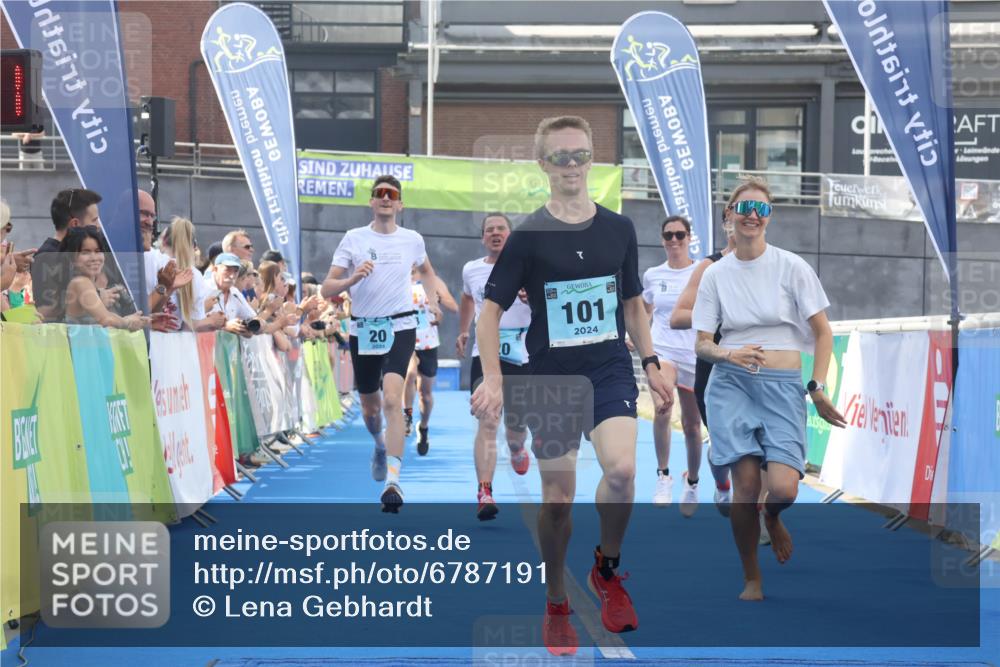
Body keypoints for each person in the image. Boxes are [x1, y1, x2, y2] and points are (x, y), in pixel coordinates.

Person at [471, 116, 672, 655]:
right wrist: (494, 378)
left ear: (591, 160)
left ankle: (606, 568)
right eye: (560, 157)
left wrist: (651, 361)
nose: (571, 166)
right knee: (558, 501)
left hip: (608, 369)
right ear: (543, 164)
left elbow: (632, 303)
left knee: (622, 472)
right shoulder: (527, 236)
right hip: (552, 378)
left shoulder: (619, 229)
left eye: (580, 155)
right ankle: (557, 600)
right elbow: (488, 315)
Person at [692, 177, 846, 602]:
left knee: (784, 488)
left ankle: (772, 516)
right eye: (745, 207)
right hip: (732, 385)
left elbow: (823, 332)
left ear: (769, 218)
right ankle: (752, 578)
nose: (753, 216)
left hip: (783, 387)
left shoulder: (792, 267)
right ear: (730, 214)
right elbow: (702, 343)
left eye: (761, 209)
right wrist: (728, 354)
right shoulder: (715, 275)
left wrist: (817, 387)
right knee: (744, 486)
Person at [321, 175, 441, 513]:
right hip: (363, 330)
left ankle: (393, 480)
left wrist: (433, 302)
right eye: (380, 194)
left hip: (401, 326)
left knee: (392, 400)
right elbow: (326, 288)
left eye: (392, 194)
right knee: (371, 410)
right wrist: (353, 278)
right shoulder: (354, 238)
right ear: (372, 201)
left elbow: (428, 272)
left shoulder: (412, 239)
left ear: (400, 204)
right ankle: (378, 444)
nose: (386, 198)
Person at [643, 215, 728, 516]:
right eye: (668, 235)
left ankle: (692, 482)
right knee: (662, 407)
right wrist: (635, 337)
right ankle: (663, 475)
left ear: (689, 237)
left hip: (694, 353)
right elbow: (645, 310)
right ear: (662, 239)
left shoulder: (703, 270)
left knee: (692, 425)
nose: (674, 240)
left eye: (680, 234)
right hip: (663, 350)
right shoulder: (653, 275)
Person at [458, 212, 533, 521]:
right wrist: (464, 330)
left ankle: (517, 449)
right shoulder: (472, 269)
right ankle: (484, 491)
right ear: (482, 238)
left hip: (522, 355)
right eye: (489, 230)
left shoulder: (529, 267)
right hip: (485, 354)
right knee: (488, 420)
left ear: (510, 236)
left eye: (501, 228)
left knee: (516, 432)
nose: (495, 233)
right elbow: (467, 298)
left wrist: (530, 299)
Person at [670, 216, 737, 517]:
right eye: (737, 212)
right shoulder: (709, 266)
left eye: (758, 209)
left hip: (756, 368)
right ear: (726, 223)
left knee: (756, 452)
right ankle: (722, 484)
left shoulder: (775, 264)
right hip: (714, 369)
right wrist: (721, 313)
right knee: (724, 448)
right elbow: (678, 317)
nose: (748, 217)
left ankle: (760, 515)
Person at [403, 266, 457, 454]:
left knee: (425, 395)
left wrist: (439, 299)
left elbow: (454, 306)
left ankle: (423, 427)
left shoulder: (432, 280)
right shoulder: (398, 277)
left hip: (428, 342)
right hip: (405, 337)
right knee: (410, 373)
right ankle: (407, 416)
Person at [32, 188, 102, 320]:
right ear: (75, 224)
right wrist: (98, 299)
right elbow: (45, 311)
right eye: (94, 220)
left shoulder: (68, 253)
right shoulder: (47, 257)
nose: (98, 226)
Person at [57, 227, 147, 330]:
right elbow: (106, 320)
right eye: (85, 252)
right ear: (72, 258)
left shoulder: (88, 284)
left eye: (98, 251)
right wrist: (128, 322)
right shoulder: (80, 282)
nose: (94, 258)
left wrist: (145, 320)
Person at [159, 217, 225, 332]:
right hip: (176, 341)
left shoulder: (149, 261)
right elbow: (190, 326)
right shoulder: (194, 274)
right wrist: (212, 321)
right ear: (193, 247)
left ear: (163, 241)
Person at [208, 252, 262, 337]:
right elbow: (193, 322)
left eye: (236, 271)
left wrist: (247, 329)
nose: (232, 276)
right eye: (227, 270)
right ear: (215, 269)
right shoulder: (203, 289)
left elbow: (253, 318)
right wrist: (225, 326)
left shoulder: (235, 292)